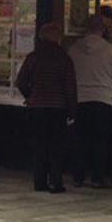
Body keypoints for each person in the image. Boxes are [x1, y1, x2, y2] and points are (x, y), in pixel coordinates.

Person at [15, 22, 77, 193]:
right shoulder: (64, 59)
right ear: (57, 38)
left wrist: (30, 96)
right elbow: (70, 87)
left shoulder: (33, 57)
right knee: (56, 146)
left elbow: (20, 82)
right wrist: (72, 110)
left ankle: (39, 181)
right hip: (58, 106)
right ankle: (55, 182)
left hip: (37, 106)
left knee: (39, 144)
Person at [68, 12, 112, 188]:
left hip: (80, 99)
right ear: (103, 29)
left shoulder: (73, 50)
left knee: (80, 139)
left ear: (86, 28)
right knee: (100, 141)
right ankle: (97, 178)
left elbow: (68, 76)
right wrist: (111, 95)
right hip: (103, 100)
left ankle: (78, 177)